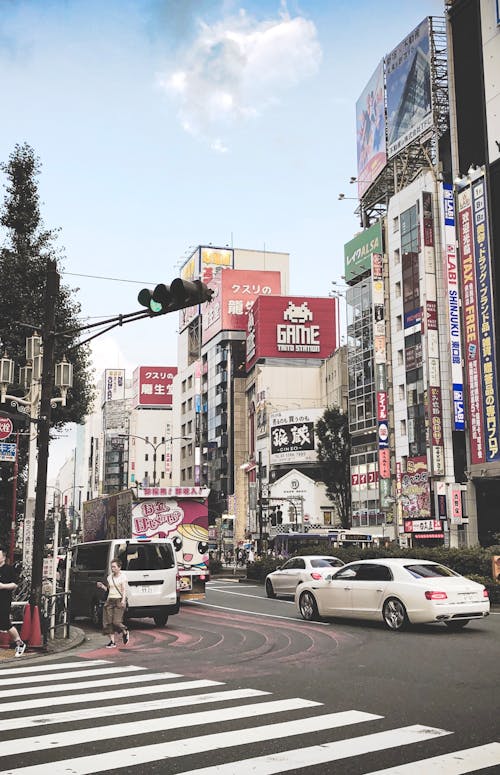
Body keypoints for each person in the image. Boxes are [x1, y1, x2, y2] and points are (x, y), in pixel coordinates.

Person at [0, 545, 26, 657]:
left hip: (4, 600)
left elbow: (15, 584)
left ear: (3, 557)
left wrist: (3, 586)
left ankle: (20, 643)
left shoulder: (8, 569)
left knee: (5, 623)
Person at [97, 558, 129, 649]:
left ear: (119, 567)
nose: (113, 569)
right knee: (108, 622)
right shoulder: (109, 577)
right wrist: (102, 586)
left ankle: (125, 630)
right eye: (112, 567)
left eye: (114, 567)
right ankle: (112, 641)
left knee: (116, 621)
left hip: (119, 600)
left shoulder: (123, 577)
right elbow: (109, 590)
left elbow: (123, 590)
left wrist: (123, 600)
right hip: (110, 600)